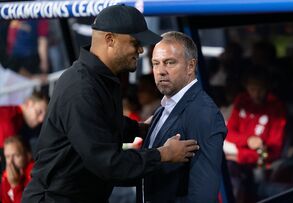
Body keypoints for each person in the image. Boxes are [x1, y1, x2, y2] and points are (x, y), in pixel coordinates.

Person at [21, 5, 199, 203]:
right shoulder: (80, 88)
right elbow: (108, 163)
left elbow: (101, 122)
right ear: (110, 40)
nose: (140, 49)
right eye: (135, 42)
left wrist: (139, 128)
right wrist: (163, 154)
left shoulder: (100, 78)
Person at [141, 31, 227, 202]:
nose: (160, 71)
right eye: (155, 64)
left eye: (169, 63)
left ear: (190, 66)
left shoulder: (203, 113)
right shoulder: (165, 106)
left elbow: (203, 194)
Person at [224, 66, 286, 202]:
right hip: (234, 159)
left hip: (258, 164)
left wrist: (240, 156)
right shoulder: (242, 101)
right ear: (246, 87)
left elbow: (274, 151)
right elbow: (228, 133)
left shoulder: (276, 108)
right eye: (252, 89)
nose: (256, 94)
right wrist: (247, 140)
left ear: (267, 87)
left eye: (260, 89)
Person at [0, 91, 48, 175]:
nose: (41, 120)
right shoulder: (9, 120)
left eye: (44, 116)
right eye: (39, 112)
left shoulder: (19, 121)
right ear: (29, 103)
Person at [1, 136, 34, 203]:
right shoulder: (6, 176)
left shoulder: (34, 174)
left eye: (16, 155)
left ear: (28, 155)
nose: (10, 161)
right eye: (7, 156)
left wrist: (15, 185)